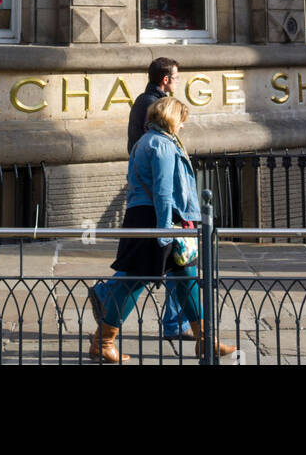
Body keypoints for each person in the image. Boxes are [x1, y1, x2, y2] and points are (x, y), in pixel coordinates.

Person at [88, 96, 235, 364]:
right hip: (155, 219)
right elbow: (163, 191)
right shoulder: (162, 145)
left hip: (149, 217)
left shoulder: (148, 141)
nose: (182, 126)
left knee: (186, 277)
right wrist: (165, 230)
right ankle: (103, 342)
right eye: (181, 121)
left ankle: (206, 340)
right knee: (133, 282)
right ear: (171, 118)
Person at [125, 56, 191, 341]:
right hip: (155, 205)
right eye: (176, 77)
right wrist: (167, 225)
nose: (177, 82)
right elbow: (161, 180)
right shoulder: (153, 114)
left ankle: (186, 326)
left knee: (180, 267)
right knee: (144, 270)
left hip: (155, 204)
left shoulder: (145, 103)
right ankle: (107, 305)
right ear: (166, 79)